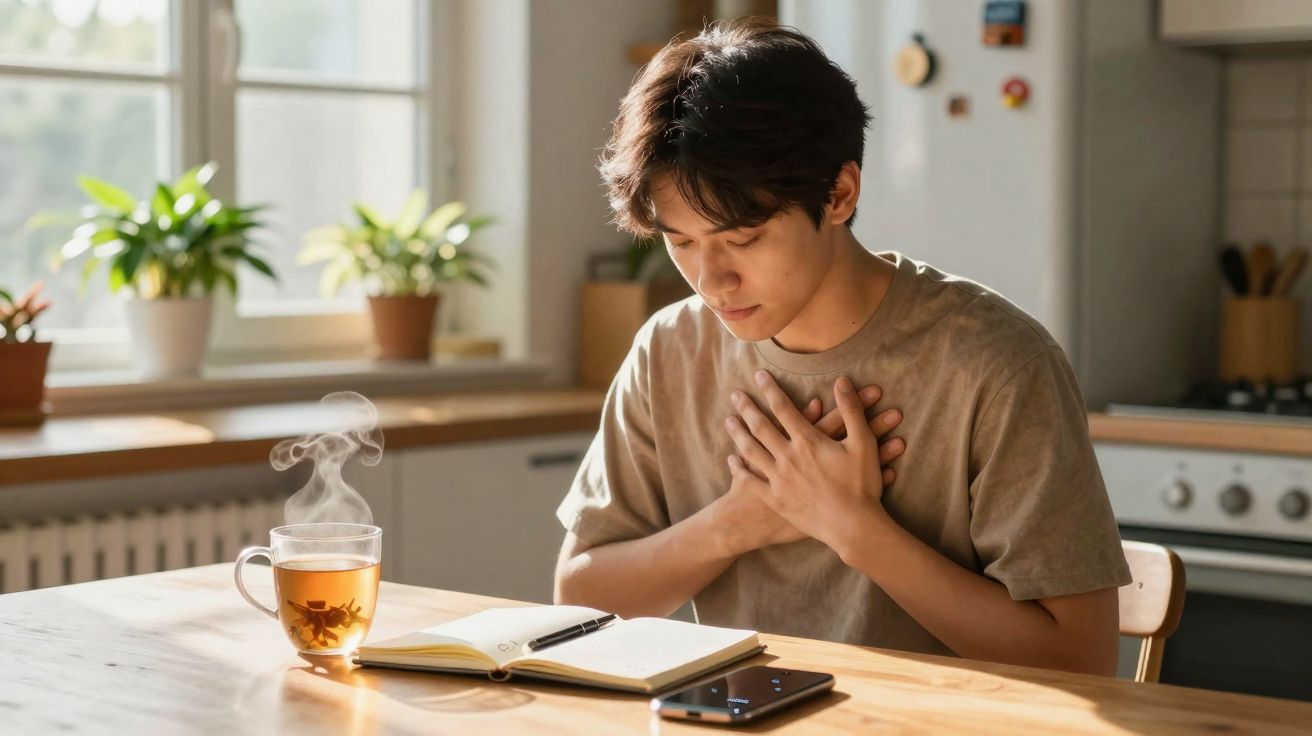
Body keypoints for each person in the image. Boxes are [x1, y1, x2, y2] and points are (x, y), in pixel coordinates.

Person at [554, 19, 1130, 676]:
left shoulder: (995, 364)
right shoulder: (669, 351)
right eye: (681, 242)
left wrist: (853, 528)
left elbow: (1081, 661)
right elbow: (579, 599)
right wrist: (742, 521)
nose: (712, 281)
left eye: (742, 239)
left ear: (839, 194)